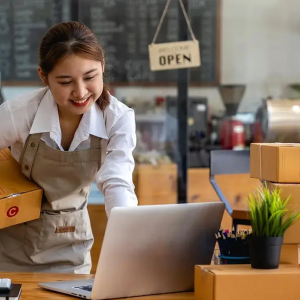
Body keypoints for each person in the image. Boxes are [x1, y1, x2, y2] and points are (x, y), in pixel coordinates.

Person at [0, 21, 138, 274]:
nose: (81, 92)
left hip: (72, 253)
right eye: (65, 82)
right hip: (9, 251)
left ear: (103, 67)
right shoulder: (18, 114)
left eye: (90, 77)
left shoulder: (117, 118)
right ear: (44, 77)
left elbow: (116, 181)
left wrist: (130, 236)